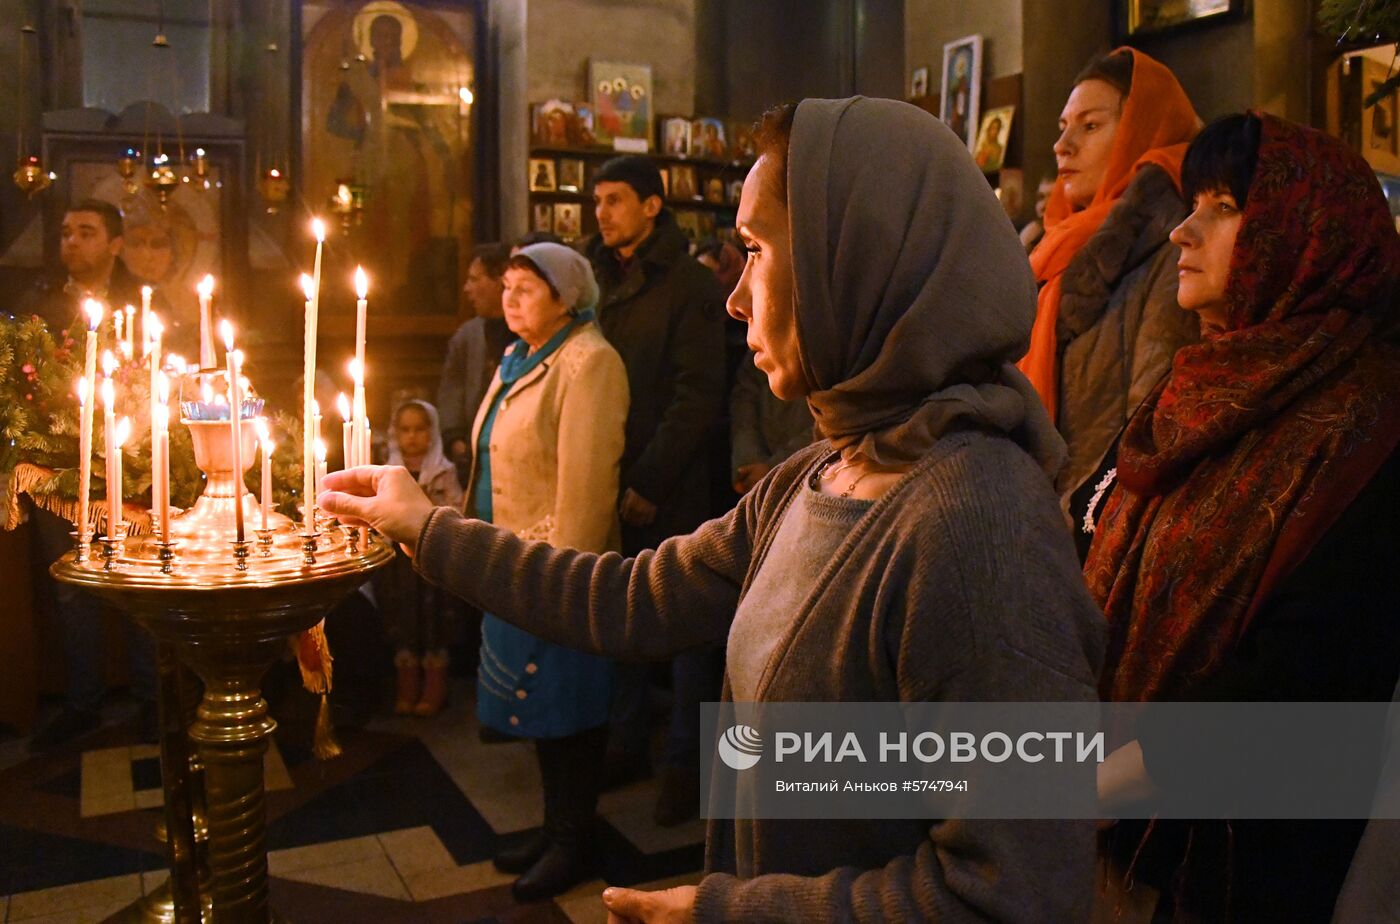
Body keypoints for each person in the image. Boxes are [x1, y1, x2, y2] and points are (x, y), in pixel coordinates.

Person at [321, 97, 1104, 924]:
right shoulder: (819, 473)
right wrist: (430, 530)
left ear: (856, 263)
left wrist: (731, 911)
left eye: (758, 252)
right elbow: (628, 598)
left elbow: (1013, 895)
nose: (734, 300)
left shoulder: (978, 531)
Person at [1088, 113, 1400, 922]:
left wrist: (1096, 785)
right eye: (1192, 203)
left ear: (1305, 233)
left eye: (1221, 206)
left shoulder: (1367, 426)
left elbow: (1302, 675)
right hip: (1097, 832)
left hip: (1224, 866)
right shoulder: (1191, 387)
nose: (1183, 232)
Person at [464, 243, 628, 900]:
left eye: (527, 288)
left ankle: (573, 841)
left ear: (567, 297)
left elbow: (586, 488)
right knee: (537, 708)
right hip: (509, 560)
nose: (510, 297)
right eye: (506, 285)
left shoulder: (589, 362)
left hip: (555, 572)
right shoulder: (519, 357)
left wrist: (560, 578)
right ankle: (553, 827)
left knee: (567, 707)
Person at [584, 155, 727, 809]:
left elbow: (698, 395)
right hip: (618, 474)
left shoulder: (689, 287)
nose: (601, 213)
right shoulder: (597, 278)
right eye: (596, 202)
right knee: (627, 612)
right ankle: (625, 743)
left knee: (688, 626)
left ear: (651, 205)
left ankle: (687, 767)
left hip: (676, 483)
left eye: (614, 200)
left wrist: (650, 478)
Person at [1017, 49, 1201, 558]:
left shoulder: (1176, 256)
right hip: (1028, 536)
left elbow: (1151, 436)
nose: (1062, 144)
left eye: (1090, 126)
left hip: (1093, 549)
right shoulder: (1049, 249)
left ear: (1142, 132)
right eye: (1062, 126)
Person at [19, 199, 158, 751]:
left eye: (86, 232)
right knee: (73, 588)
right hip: (58, 466)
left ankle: (152, 701)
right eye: (65, 233)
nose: (71, 242)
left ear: (116, 244)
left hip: (132, 467)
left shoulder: (143, 303)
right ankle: (83, 704)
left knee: (138, 580)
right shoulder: (39, 304)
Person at [378, 399, 464, 717]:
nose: (412, 436)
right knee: (405, 619)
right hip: (398, 561)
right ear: (395, 433)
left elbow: (456, 508)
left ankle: (435, 686)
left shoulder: (443, 471)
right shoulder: (389, 472)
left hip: (432, 555)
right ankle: (407, 683)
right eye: (405, 430)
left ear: (432, 432)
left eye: (419, 429)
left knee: (433, 620)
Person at [437, 243, 513, 481]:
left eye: (474, 279)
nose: (467, 289)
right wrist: (455, 438)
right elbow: (452, 387)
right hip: (473, 457)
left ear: (500, 279)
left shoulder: (528, 333)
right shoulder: (468, 335)